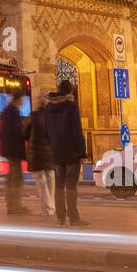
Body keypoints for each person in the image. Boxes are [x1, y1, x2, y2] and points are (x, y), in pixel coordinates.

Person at [45, 80, 89, 227]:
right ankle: (74, 217)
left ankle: (60, 218)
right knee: (71, 186)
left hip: (56, 152)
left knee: (59, 186)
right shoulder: (71, 107)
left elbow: (46, 131)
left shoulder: (48, 108)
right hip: (71, 152)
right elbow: (76, 131)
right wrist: (83, 153)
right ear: (70, 92)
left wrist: (52, 147)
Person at [24, 101, 54, 215]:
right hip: (51, 154)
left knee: (42, 182)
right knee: (51, 181)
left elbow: (25, 133)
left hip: (37, 154)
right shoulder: (52, 117)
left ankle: (47, 209)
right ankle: (52, 206)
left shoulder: (33, 116)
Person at [0, 91, 28, 214]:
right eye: (22, 100)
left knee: (12, 178)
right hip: (14, 151)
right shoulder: (13, 112)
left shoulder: (8, 111)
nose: (23, 102)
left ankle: (11, 205)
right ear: (18, 100)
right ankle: (15, 206)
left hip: (10, 150)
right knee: (17, 179)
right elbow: (16, 132)